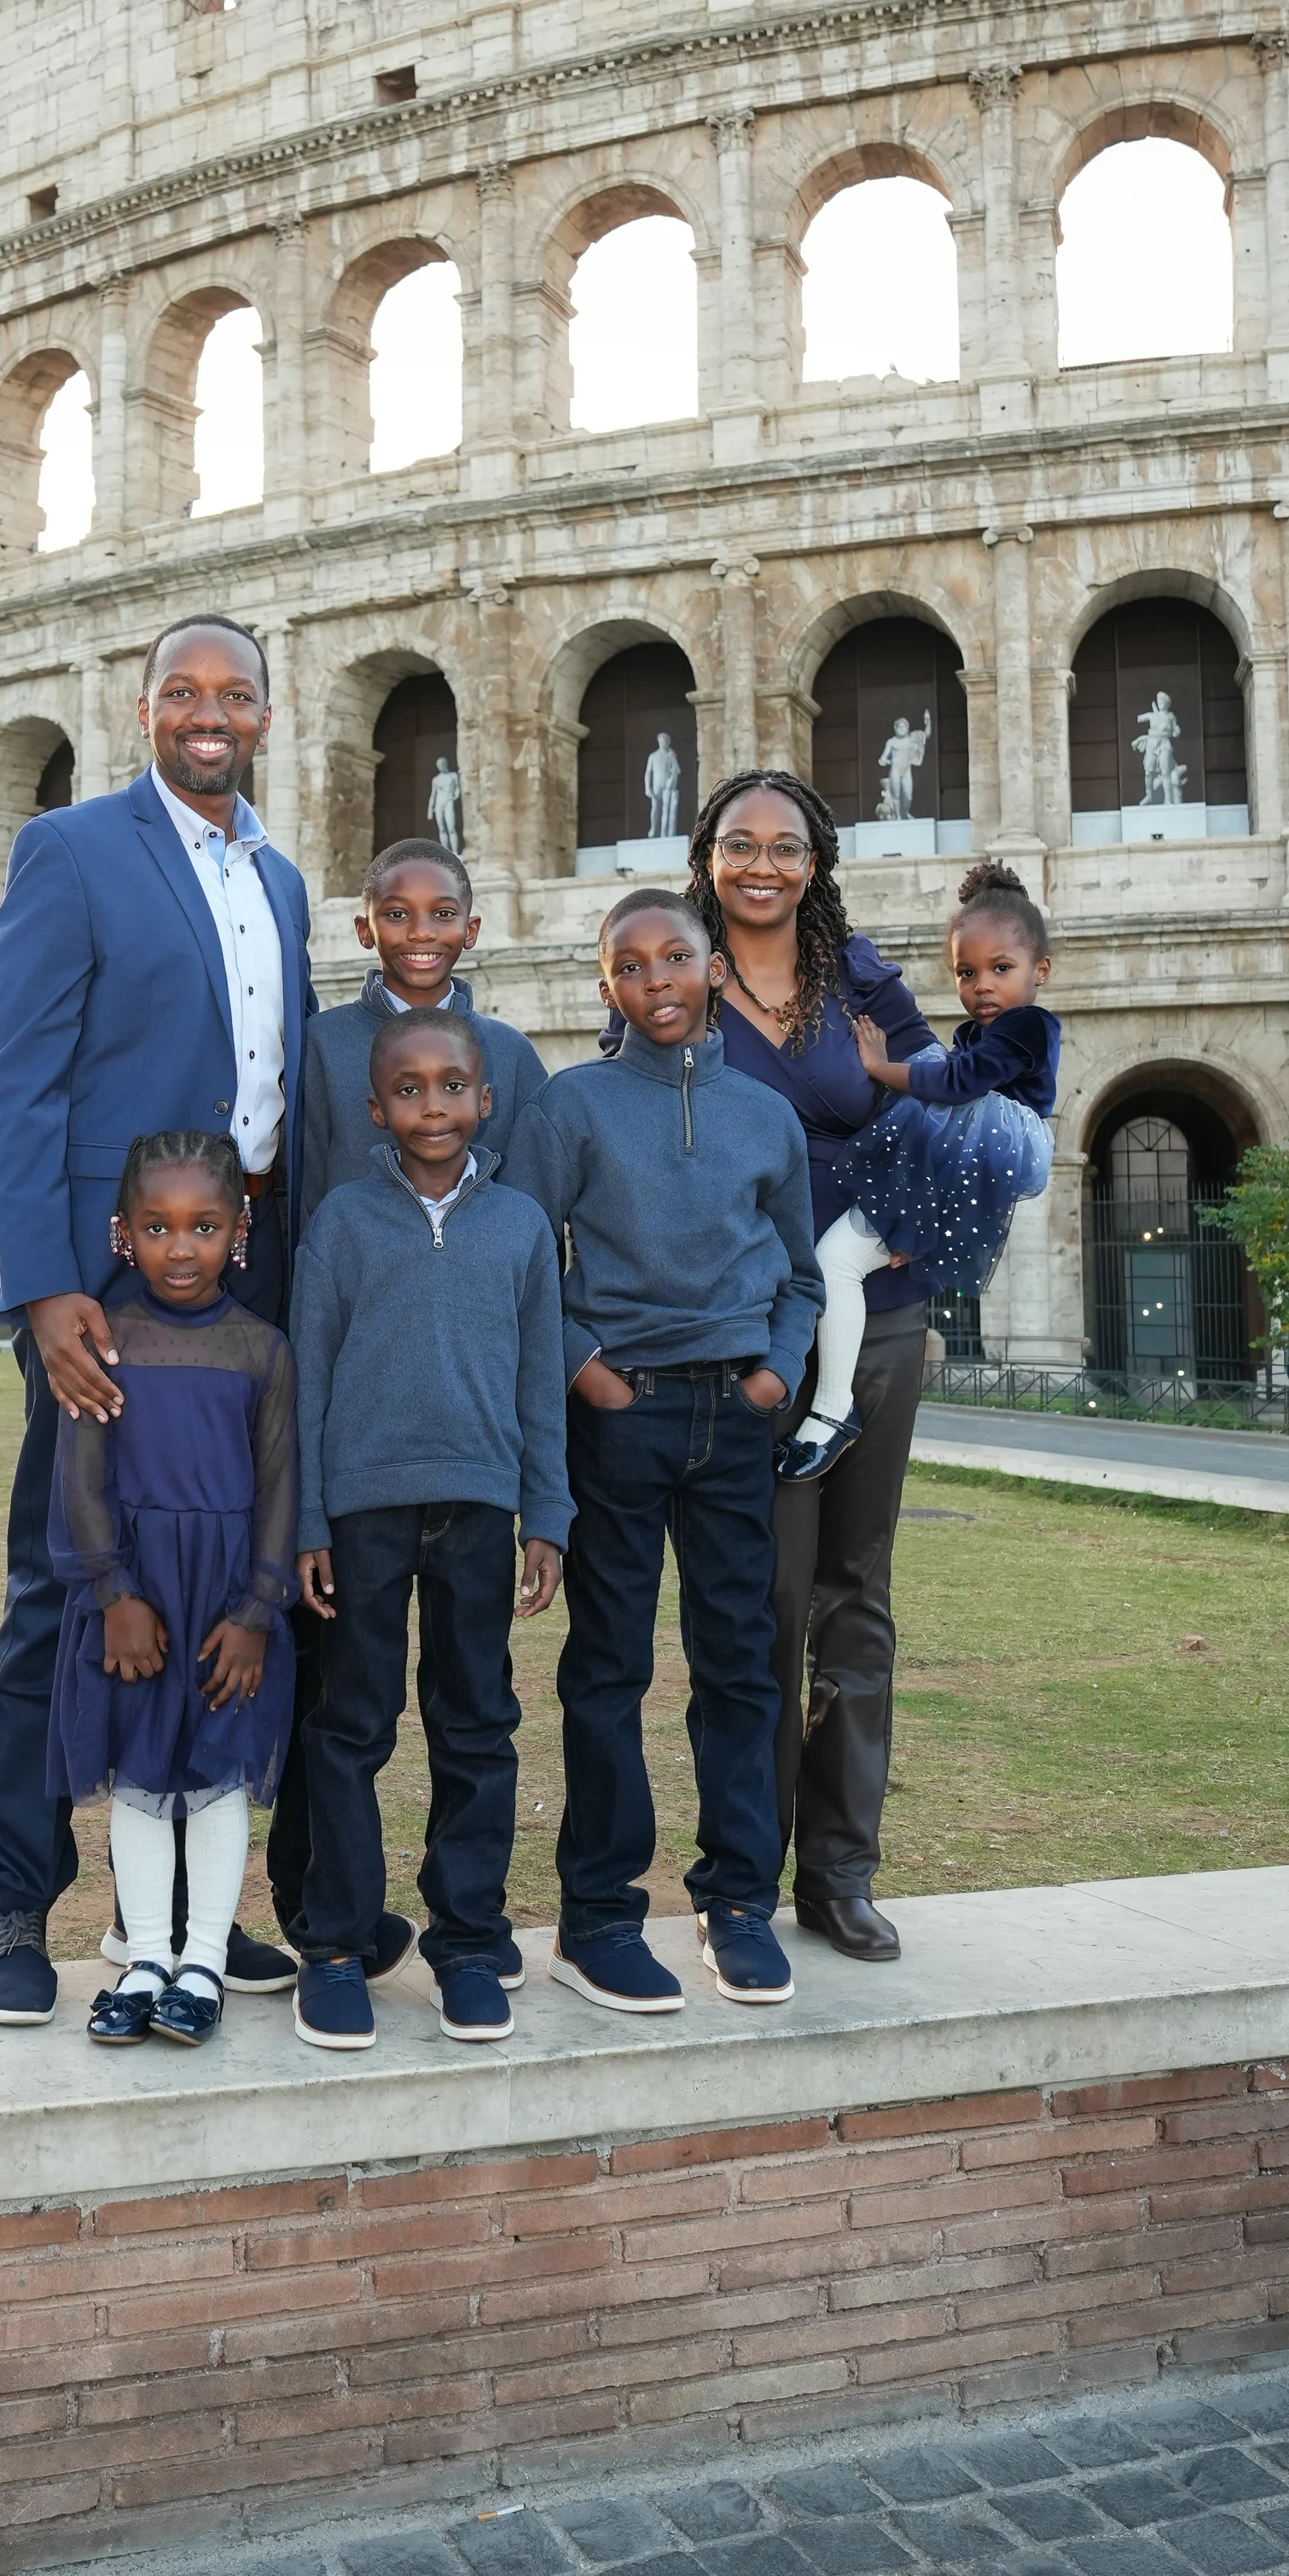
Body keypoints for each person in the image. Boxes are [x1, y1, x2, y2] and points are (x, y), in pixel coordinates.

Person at [0, 613, 316, 2026]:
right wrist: (48, 1285)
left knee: (218, 1583)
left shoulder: (281, 881)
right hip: (106, 1292)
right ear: (144, 708)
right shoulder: (74, 851)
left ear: (268, 718)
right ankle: (9, 1903)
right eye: (184, 692)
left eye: (234, 694)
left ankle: (171, 1920)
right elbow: (18, 1077)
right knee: (66, 1585)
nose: (208, 713)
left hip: (244, 1285)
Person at [508, 891, 821, 2016]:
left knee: (739, 1663)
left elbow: (799, 1273)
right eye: (630, 966)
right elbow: (518, 1255)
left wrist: (774, 1372)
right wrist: (586, 1367)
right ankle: (595, 1917)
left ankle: (737, 1901)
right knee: (607, 1666)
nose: (657, 981)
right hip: (617, 1413)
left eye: (676, 958)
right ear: (606, 988)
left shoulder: (762, 1117)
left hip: (733, 1415)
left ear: (710, 971)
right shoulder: (570, 1107)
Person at [678, 769, 941, 1966]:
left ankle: (838, 1872)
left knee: (855, 1596)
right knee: (762, 1609)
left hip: (876, 1315)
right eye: (741, 844)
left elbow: (944, 1099)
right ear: (708, 856)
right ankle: (745, 1874)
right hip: (749, 1339)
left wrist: (906, 1206)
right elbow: (650, 1142)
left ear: (815, 863)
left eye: (787, 847)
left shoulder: (857, 974)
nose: (762, 866)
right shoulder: (675, 970)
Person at [288, 1011, 570, 2051]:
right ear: (375, 1108)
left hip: (480, 1506)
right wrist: (308, 1517)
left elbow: (544, 1381)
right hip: (361, 1509)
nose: (435, 1105)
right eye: (410, 1089)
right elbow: (309, 1380)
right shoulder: (344, 1224)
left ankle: (465, 1939)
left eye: (455, 1085)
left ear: (486, 1097)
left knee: (474, 1724)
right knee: (350, 1727)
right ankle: (338, 1944)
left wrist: (548, 1511)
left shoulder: (521, 1229)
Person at [46, 1132, 298, 2048]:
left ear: (238, 1232)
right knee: (143, 1782)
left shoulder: (263, 1349)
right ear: (124, 1234)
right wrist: (113, 1592)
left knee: (220, 1780)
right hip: (138, 1601)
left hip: (226, 1603)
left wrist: (258, 1611)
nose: (179, 1247)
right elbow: (80, 1479)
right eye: (156, 1227)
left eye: (202, 1227)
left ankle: (203, 1962)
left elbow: (280, 1488)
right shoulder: (105, 1343)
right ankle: (145, 1952)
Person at [785, 861, 1060, 1480]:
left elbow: (958, 1084)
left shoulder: (1026, 1029)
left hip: (988, 1140)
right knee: (840, 1262)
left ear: (1040, 971)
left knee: (834, 1264)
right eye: (966, 972)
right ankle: (832, 1405)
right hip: (970, 1152)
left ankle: (832, 1410)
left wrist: (882, 1068)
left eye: (1000, 969)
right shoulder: (994, 1028)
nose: (982, 985)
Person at [296, 838, 548, 1224]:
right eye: (397, 914)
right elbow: (304, 1190)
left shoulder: (511, 1052)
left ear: (471, 929)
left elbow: (535, 1206)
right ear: (365, 931)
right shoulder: (321, 1043)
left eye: (444, 913)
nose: (421, 933)